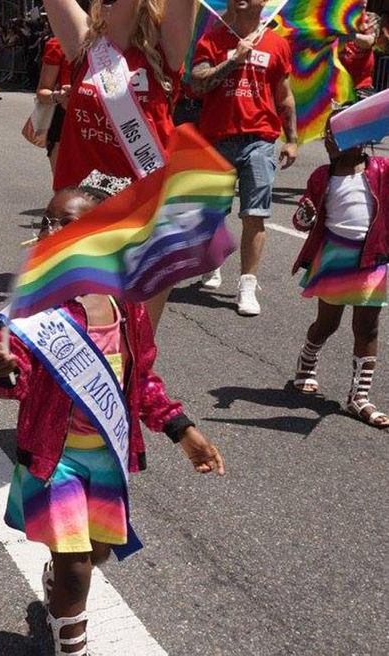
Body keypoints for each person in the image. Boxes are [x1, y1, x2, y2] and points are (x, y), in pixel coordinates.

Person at [0, 172, 224, 656]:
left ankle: (58, 584)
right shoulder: (37, 309)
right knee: (74, 563)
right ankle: (71, 642)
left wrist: (183, 431)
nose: (52, 232)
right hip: (56, 457)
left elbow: (143, 383)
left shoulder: (127, 307)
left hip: (107, 456)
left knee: (97, 555)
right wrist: (5, 372)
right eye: (48, 222)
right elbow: (16, 383)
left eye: (67, 224)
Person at [42, 0, 196, 328]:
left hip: (145, 217)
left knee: (135, 346)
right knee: (80, 339)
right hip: (81, 218)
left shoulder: (165, 50)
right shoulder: (85, 45)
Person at [190, 0, 298, 317]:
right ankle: (212, 263)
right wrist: (234, 60)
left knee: (255, 213)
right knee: (212, 213)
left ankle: (247, 285)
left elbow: (284, 95)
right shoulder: (212, 39)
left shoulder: (277, 44)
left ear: (263, 3)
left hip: (260, 139)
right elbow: (198, 83)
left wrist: (291, 140)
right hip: (216, 138)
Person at [290, 111, 389, 429]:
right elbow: (302, 220)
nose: (328, 138)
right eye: (327, 132)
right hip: (335, 260)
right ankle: (307, 360)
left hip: (371, 259)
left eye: (337, 133)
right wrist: (305, 214)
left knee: (367, 328)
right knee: (327, 324)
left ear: (360, 138)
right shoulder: (322, 176)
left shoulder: (381, 169)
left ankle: (358, 398)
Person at [36, 35, 70, 178]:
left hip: (102, 123)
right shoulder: (59, 43)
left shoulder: (116, 42)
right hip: (63, 120)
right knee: (64, 186)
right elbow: (42, 91)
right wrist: (58, 96)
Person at [339, 3, 378, 100]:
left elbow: (369, 41)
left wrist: (350, 36)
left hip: (362, 87)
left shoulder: (371, 18)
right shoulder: (337, 20)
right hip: (337, 86)